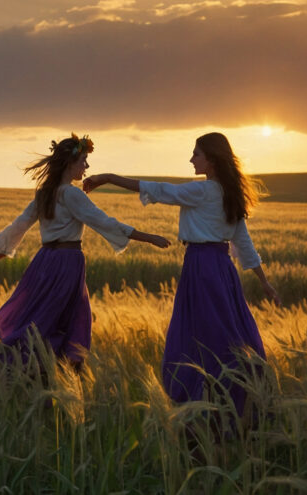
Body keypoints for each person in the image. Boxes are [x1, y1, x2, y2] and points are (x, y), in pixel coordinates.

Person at [83, 132, 279, 414]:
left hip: (201, 267)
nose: (191, 159)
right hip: (223, 270)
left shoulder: (204, 190)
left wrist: (109, 177)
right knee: (229, 334)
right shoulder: (230, 192)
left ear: (211, 160)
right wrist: (265, 281)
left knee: (200, 335)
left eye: (196, 154)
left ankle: (199, 401)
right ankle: (241, 401)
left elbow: (161, 190)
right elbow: (244, 243)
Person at [0, 133, 171, 371]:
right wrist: (147, 237)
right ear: (69, 163)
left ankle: (30, 368)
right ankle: (53, 371)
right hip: (67, 263)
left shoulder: (45, 192)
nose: (86, 167)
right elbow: (104, 222)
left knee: (40, 314)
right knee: (65, 319)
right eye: (83, 161)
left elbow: (21, 223)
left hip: (44, 261)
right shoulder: (71, 193)